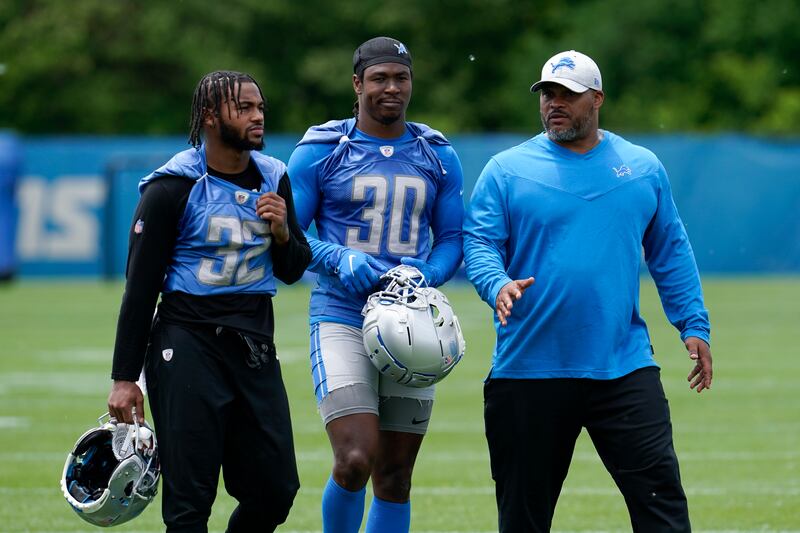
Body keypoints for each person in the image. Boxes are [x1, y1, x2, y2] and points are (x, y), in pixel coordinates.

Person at [463, 50, 713, 532]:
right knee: (522, 520)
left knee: (664, 511)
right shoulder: (506, 169)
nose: (555, 104)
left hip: (622, 368)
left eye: (568, 95)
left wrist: (693, 324)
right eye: (548, 94)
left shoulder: (641, 168)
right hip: (528, 372)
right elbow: (480, 243)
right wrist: (496, 284)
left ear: (596, 98)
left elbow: (671, 251)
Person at [106, 70, 311, 533]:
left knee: (276, 489)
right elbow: (139, 289)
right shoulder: (171, 188)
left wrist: (282, 233)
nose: (258, 116)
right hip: (187, 342)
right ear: (211, 117)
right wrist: (124, 377)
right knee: (189, 501)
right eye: (244, 108)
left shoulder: (274, 177)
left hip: (255, 343)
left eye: (260, 107)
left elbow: (294, 268)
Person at [288, 37, 465, 533]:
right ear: (357, 84)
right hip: (342, 315)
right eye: (379, 78)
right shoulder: (323, 148)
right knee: (355, 458)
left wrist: (425, 273)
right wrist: (339, 257)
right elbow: (291, 238)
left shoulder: (437, 152)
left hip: (411, 321)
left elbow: (453, 239)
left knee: (395, 476)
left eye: (401, 77)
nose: (391, 87)